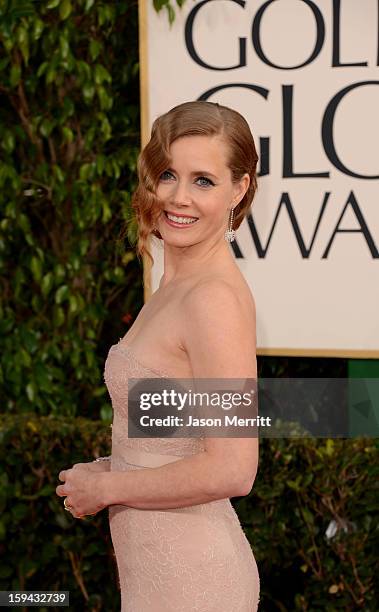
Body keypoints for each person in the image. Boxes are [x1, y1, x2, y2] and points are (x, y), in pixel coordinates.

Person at [56, 100, 260, 611]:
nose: (179, 197)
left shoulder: (213, 300)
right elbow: (173, 444)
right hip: (156, 575)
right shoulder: (174, 283)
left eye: (203, 181)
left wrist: (107, 490)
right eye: (168, 174)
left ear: (239, 189)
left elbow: (234, 468)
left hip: (194, 582)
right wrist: (108, 469)